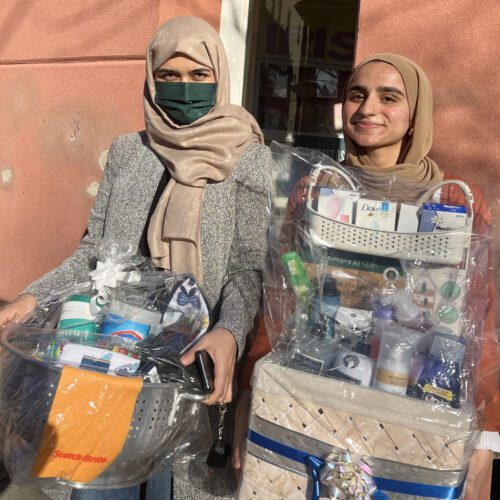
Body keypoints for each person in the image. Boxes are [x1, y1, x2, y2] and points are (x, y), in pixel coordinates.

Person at [0, 16, 271, 500]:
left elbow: (248, 268)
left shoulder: (245, 157)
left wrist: (230, 331)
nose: (184, 88)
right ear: (150, 78)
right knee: (98, 479)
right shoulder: (129, 151)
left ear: (219, 77)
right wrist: (32, 296)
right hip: (112, 349)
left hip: (190, 357)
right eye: (169, 76)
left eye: (198, 76)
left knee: (172, 482)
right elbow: (94, 253)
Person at [232, 53, 499, 498]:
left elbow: (482, 327)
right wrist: (248, 392)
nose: (368, 109)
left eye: (388, 97)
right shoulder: (318, 189)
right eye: (357, 95)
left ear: (415, 115)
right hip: (313, 398)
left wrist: (485, 442)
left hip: (414, 421)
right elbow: (281, 295)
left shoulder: (457, 200)